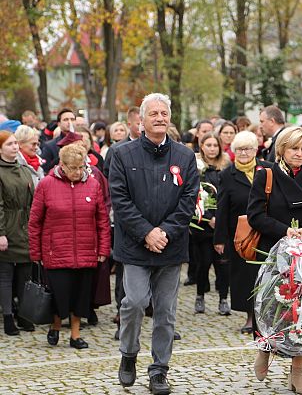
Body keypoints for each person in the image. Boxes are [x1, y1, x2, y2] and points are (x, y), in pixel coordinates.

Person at [109, 93, 199, 394]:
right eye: (154, 114)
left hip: (170, 247)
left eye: (164, 113)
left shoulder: (185, 156)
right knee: (133, 302)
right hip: (134, 247)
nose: (160, 118)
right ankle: (129, 354)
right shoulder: (122, 155)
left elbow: (188, 201)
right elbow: (120, 201)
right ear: (141, 121)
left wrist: (165, 232)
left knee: (165, 311)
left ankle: (159, 370)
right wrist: (147, 232)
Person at [247, 126, 302, 394]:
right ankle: (265, 349)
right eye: (294, 148)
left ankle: (297, 372)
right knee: (274, 309)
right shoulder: (266, 175)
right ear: (282, 149)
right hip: (274, 254)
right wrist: (284, 230)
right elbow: (255, 215)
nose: (299, 154)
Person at [28, 144, 110, 348]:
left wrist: (102, 250)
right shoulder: (46, 184)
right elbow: (35, 221)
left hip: (85, 252)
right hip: (56, 252)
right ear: (61, 165)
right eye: (72, 168)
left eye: (81, 167)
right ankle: (55, 326)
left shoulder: (93, 185)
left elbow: (102, 220)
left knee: (81, 297)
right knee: (59, 295)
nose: (77, 172)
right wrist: (36, 252)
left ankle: (75, 336)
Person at [214, 131, 271, 333]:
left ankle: (266, 316)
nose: (244, 153)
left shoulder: (268, 169)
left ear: (256, 150)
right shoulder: (227, 175)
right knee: (243, 275)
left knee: (265, 274)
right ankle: (249, 316)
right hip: (240, 234)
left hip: (266, 230)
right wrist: (219, 238)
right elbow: (222, 208)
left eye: (247, 148)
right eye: (239, 149)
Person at [0, 131, 35, 335]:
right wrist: (1, 232)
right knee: (5, 275)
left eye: (15, 143)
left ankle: (24, 314)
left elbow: (32, 201)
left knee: (25, 274)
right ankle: (8, 317)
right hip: (8, 225)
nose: (14, 147)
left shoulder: (24, 169)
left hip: (25, 226)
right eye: (10, 144)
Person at [192, 132, 231, 315]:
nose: (212, 149)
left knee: (222, 263)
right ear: (202, 147)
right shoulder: (197, 168)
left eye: (215, 145)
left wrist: (221, 220)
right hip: (204, 225)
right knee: (204, 262)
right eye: (208, 145)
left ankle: (223, 299)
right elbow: (196, 196)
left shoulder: (226, 167)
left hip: (222, 224)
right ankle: (200, 295)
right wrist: (209, 217)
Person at [41, 109, 76, 173]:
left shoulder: (82, 142)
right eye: (66, 119)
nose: (70, 122)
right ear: (59, 124)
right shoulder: (49, 146)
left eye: (72, 119)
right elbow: (45, 169)